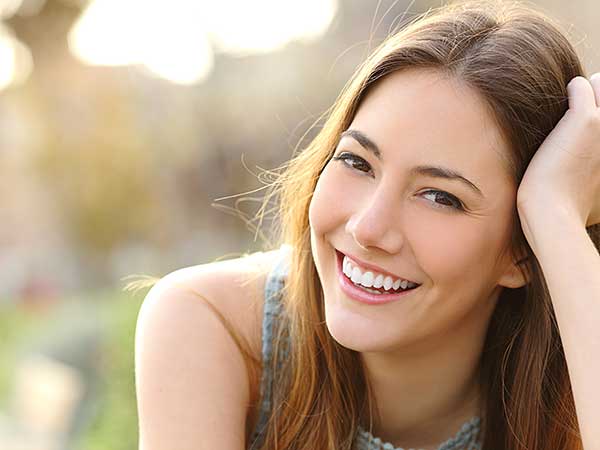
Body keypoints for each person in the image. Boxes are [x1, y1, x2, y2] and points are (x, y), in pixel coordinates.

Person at [133, 0, 600, 449]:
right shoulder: (213, 326)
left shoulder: (574, 380)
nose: (368, 227)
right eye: (357, 162)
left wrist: (558, 220)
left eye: (440, 197)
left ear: (522, 251)